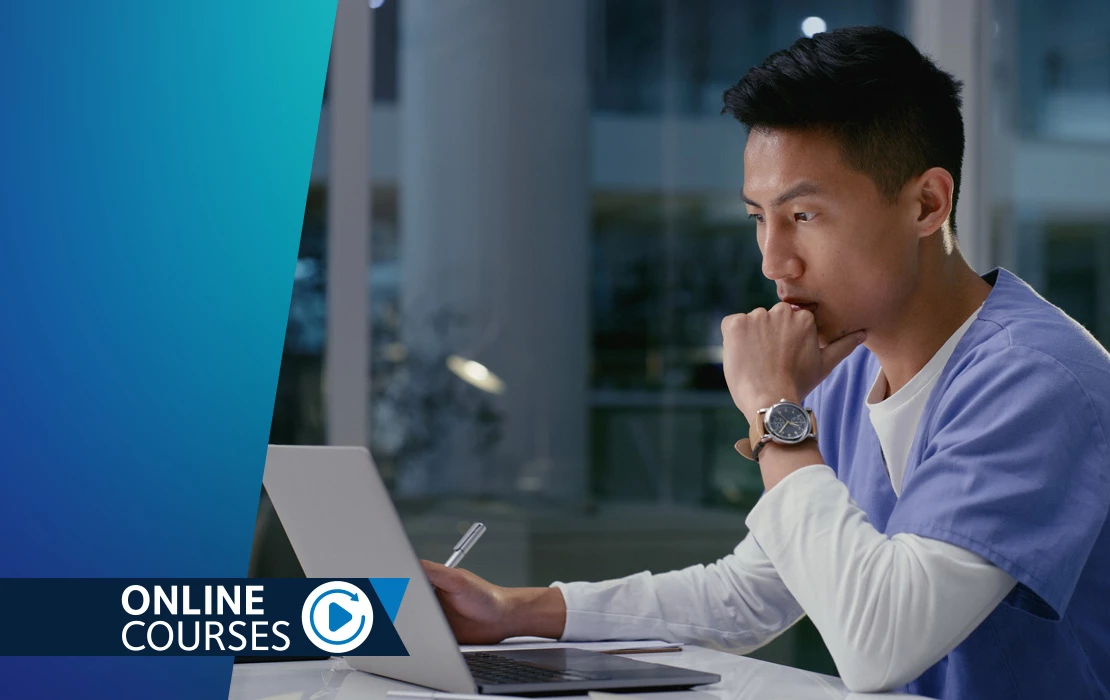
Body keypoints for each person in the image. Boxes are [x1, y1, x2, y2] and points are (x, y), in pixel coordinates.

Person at [421, 26, 1110, 699]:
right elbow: (750, 591)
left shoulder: (1035, 379)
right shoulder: (847, 374)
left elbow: (879, 644)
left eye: (803, 216)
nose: (772, 261)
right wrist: (514, 613)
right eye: (759, 217)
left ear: (927, 203)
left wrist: (776, 413)